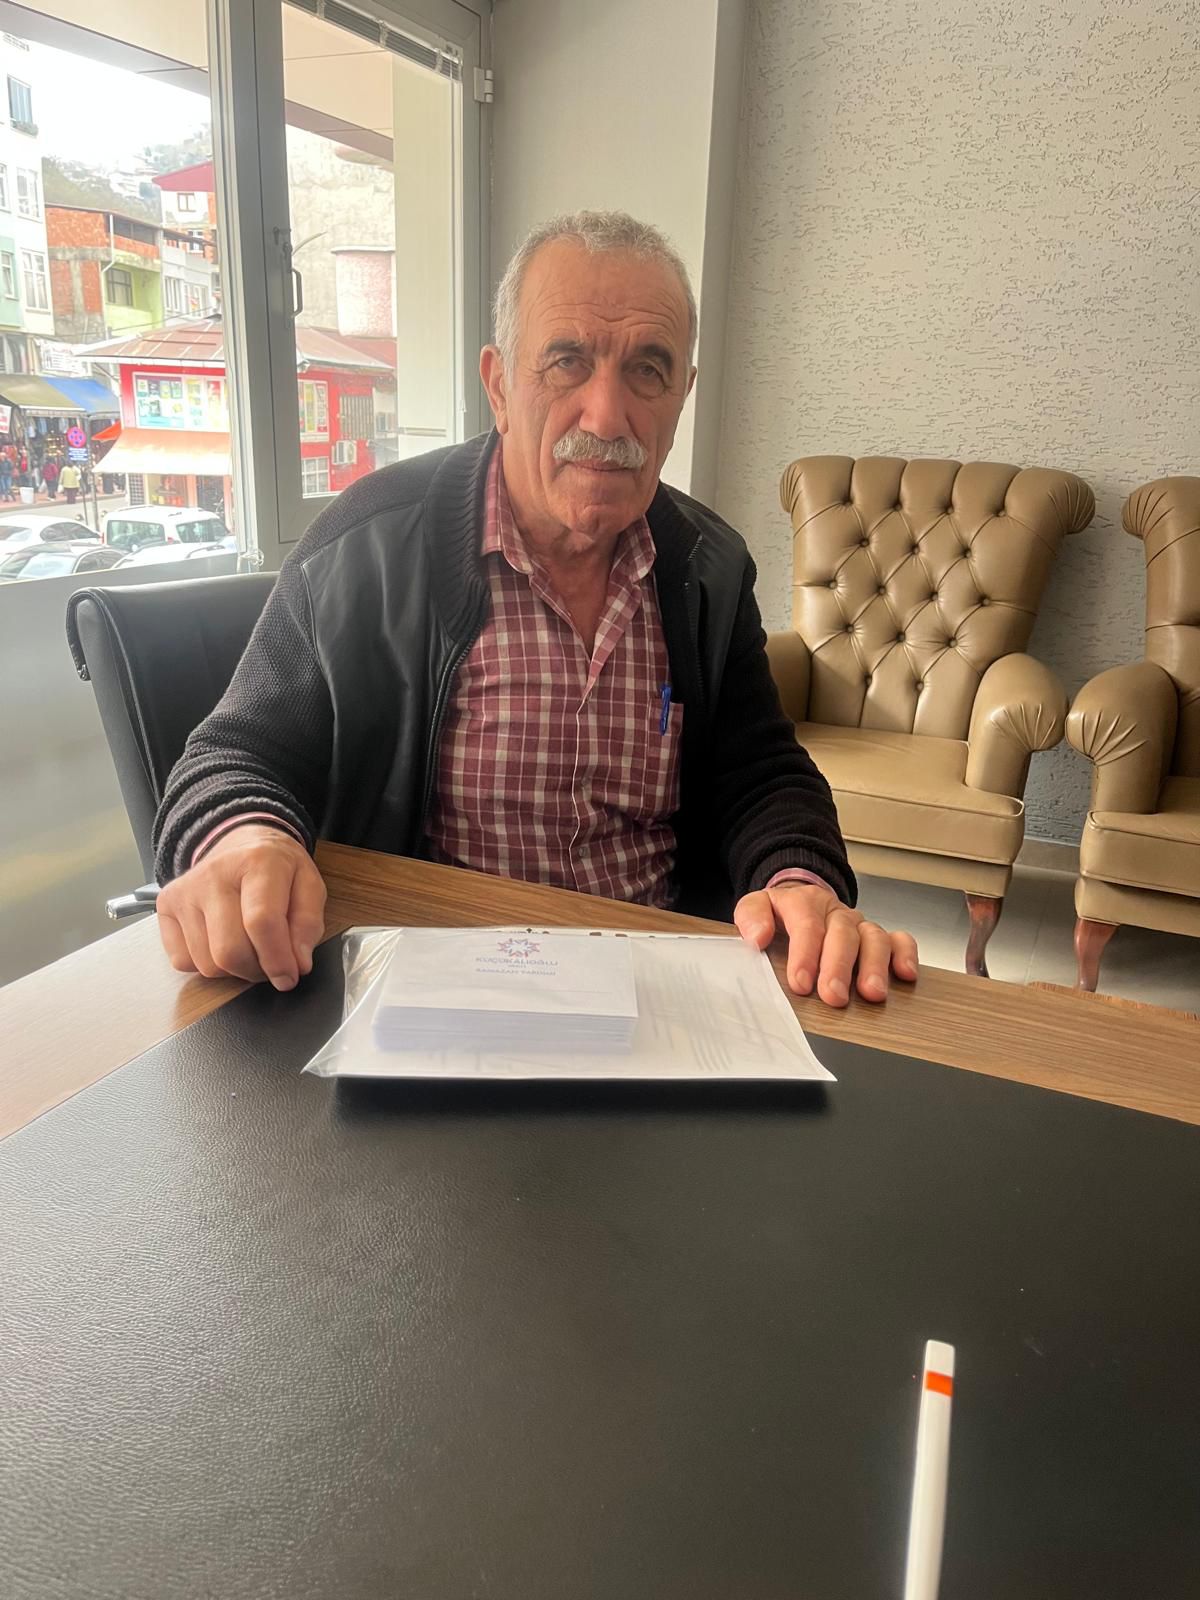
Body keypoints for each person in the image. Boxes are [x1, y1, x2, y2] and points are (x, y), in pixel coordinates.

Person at [155, 210, 918, 1007]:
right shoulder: (362, 549)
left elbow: (761, 772)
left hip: (658, 995)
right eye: (566, 362)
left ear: (682, 396)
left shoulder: (709, 568)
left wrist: (799, 881)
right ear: (498, 386)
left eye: (647, 370)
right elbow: (234, 756)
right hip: (432, 992)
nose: (606, 417)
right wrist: (246, 840)